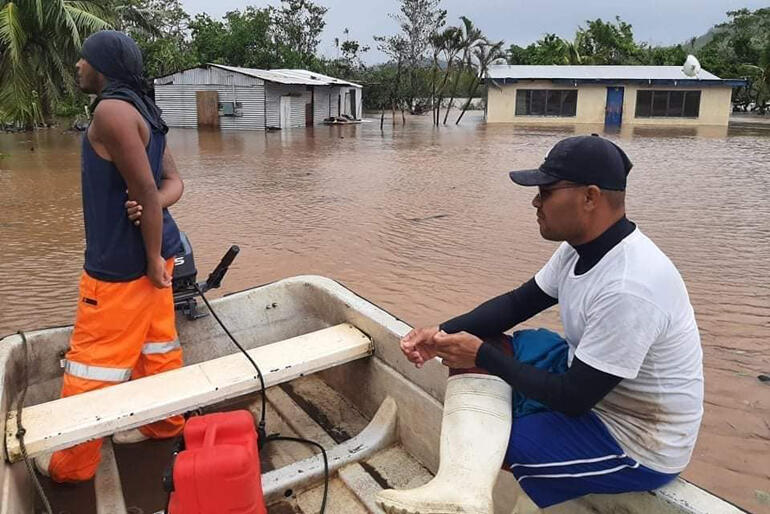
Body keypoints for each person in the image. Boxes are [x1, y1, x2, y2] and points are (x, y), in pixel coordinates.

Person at [376, 135, 704, 513]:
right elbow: (520, 302)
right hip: (594, 385)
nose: (535, 201)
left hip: (636, 440)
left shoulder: (631, 286)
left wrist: (480, 352)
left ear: (590, 197)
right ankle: (459, 493)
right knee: (490, 346)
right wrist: (438, 334)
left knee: (498, 438)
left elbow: (574, 398)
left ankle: (465, 498)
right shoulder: (580, 248)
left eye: (546, 191)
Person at [35, 31, 186, 483]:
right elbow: (172, 183)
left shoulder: (112, 111)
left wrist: (150, 235)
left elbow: (149, 189)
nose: (78, 66)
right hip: (156, 259)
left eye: (84, 59)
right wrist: (156, 223)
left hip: (122, 270)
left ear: (102, 66)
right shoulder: (144, 109)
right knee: (156, 349)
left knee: (90, 368)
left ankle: (70, 466)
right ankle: (162, 425)